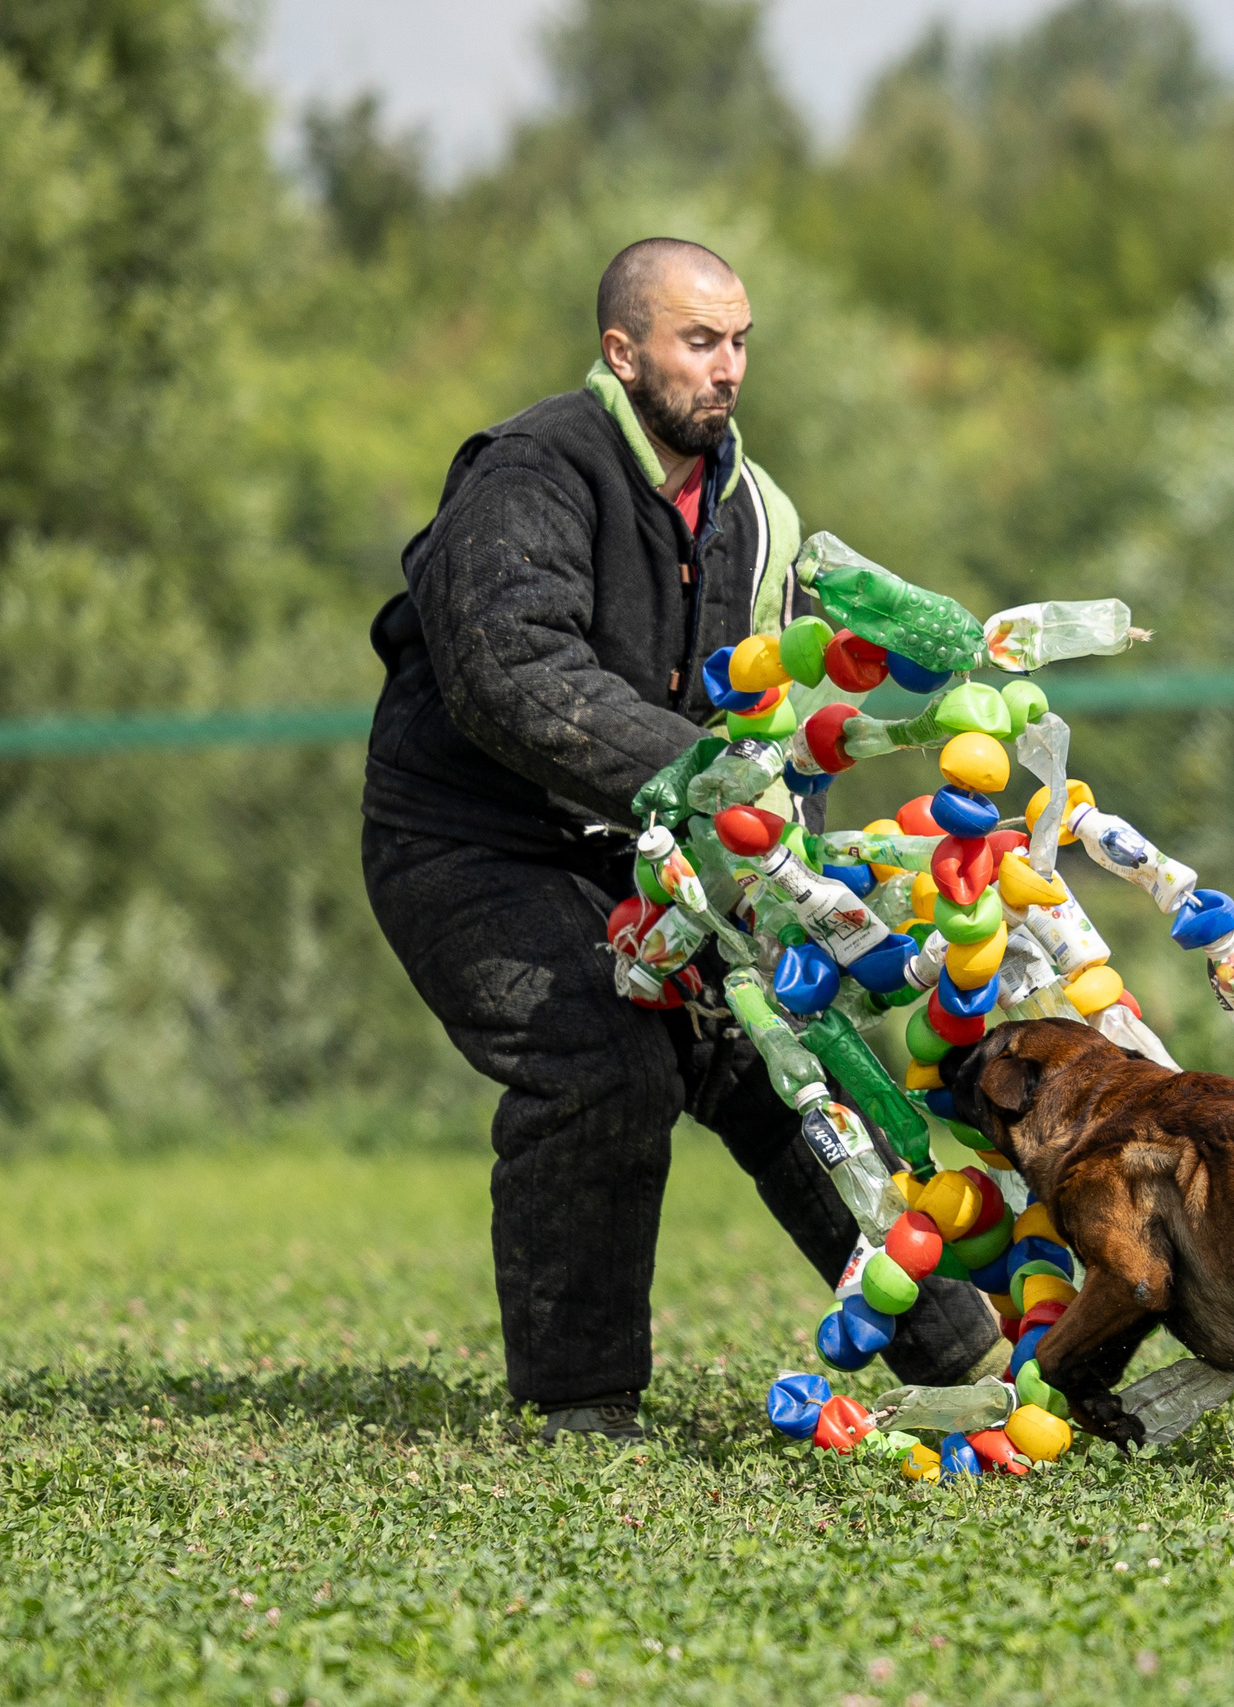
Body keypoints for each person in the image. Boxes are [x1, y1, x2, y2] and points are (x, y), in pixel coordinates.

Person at [358, 238, 999, 1441]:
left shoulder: (759, 516)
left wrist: (786, 882)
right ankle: (584, 1403)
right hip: (475, 843)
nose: (729, 368)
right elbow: (511, 673)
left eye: (740, 341)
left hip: (658, 848)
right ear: (623, 351)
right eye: (700, 341)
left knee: (788, 1057)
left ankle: (976, 1356)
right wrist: (709, 783)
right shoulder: (531, 473)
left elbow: (762, 718)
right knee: (603, 1058)